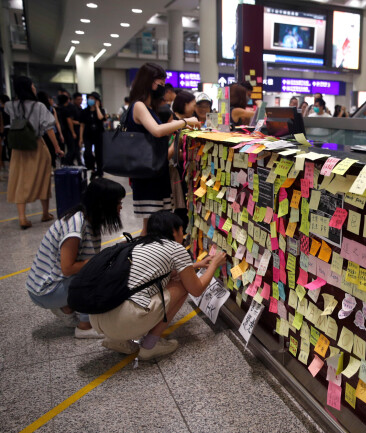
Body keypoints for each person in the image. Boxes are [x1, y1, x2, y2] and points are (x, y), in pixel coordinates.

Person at [89, 211, 228, 359]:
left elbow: (160, 274)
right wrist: (214, 264)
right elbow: (196, 289)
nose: (184, 234)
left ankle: (117, 340)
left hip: (99, 316)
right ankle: (150, 345)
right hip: (124, 320)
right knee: (182, 286)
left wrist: (195, 265)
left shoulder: (139, 243)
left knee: (166, 282)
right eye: (182, 230)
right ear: (173, 231)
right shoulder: (175, 248)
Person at [26, 178, 125, 338]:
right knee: (97, 274)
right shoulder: (76, 225)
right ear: (103, 203)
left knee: (100, 269)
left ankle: (67, 308)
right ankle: (85, 327)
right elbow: (68, 268)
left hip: (49, 285)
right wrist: (102, 261)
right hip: (44, 290)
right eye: (118, 202)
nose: (120, 207)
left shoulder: (90, 220)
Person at [126, 62, 200, 234]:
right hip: (147, 174)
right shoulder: (139, 106)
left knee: (153, 223)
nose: (162, 89)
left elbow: (158, 128)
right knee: (152, 225)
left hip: (155, 172)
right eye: (159, 84)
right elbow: (157, 131)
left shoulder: (149, 107)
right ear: (148, 82)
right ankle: (144, 258)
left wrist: (180, 125)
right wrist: (185, 122)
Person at [5, 77, 64, 229]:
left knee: (19, 179)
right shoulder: (39, 107)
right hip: (36, 145)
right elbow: (48, 128)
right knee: (43, 177)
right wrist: (57, 147)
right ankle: (45, 213)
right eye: (32, 85)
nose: (34, 88)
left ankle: (22, 218)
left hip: (18, 148)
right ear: (29, 87)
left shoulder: (10, 105)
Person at [169, 90, 196, 216]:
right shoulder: (173, 121)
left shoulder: (181, 121)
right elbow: (172, 149)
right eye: (193, 104)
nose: (194, 108)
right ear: (184, 104)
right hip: (172, 171)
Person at [79, 92, 107, 178]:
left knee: (99, 153)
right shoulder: (84, 111)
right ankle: (92, 168)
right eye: (89, 98)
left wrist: (97, 107)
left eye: (93, 99)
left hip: (98, 134)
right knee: (88, 152)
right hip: (88, 135)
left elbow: (101, 118)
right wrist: (80, 138)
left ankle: (99, 171)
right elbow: (82, 125)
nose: (90, 100)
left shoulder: (101, 110)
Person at [36, 91, 65, 169]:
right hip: (52, 132)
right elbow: (56, 122)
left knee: (46, 151)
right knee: (52, 150)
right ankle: (52, 165)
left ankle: (48, 166)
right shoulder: (51, 109)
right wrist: (60, 134)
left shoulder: (38, 109)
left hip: (42, 133)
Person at [57, 94, 82, 166]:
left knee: (70, 148)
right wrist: (73, 132)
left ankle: (67, 162)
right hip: (68, 131)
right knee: (72, 149)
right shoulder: (67, 109)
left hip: (62, 131)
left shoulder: (58, 109)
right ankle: (67, 162)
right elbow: (69, 121)